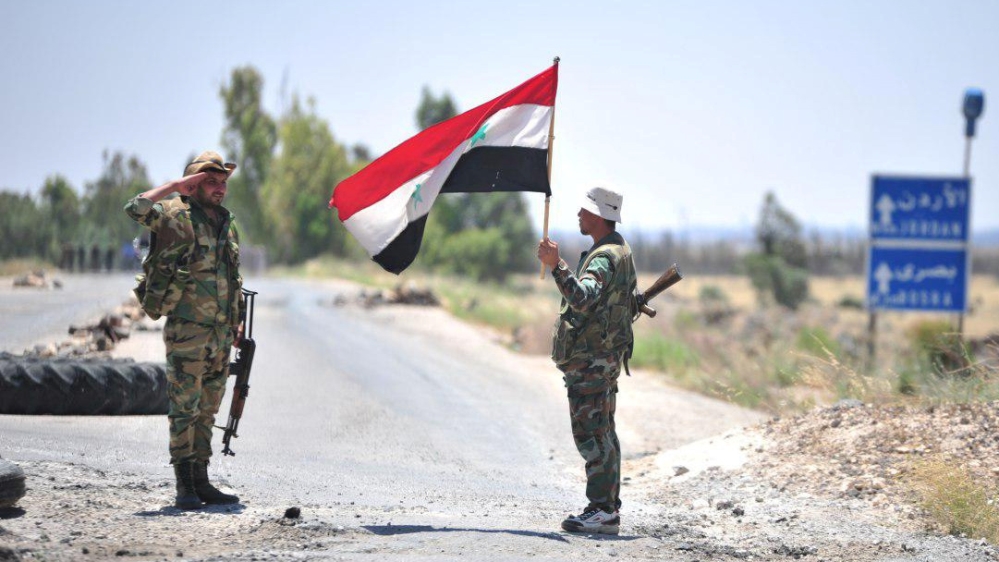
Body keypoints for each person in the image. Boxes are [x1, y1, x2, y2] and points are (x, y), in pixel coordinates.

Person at [124, 151, 244, 510]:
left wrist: (235, 323)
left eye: (223, 182)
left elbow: (232, 278)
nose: (220, 188)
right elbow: (135, 207)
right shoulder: (174, 215)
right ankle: (184, 484)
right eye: (211, 181)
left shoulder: (227, 222)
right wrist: (176, 187)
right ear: (193, 182)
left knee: (208, 407)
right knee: (184, 407)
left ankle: (202, 479)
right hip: (188, 330)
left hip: (221, 333)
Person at [536, 186, 637, 535]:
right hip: (601, 359)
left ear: (598, 216)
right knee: (603, 431)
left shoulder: (604, 257)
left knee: (591, 434)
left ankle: (601, 509)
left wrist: (556, 266)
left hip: (592, 362)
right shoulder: (619, 252)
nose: (579, 215)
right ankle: (606, 507)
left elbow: (583, 298)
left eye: (584, 210)